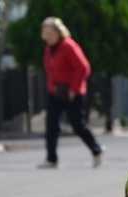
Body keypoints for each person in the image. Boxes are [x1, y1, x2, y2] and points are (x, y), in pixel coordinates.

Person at [39, 17, 103, 169]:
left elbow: (84, 68)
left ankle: (96, 150)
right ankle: (51, 159)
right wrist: (52, 88)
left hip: (73, 92)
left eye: (50, 31)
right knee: (51, 125)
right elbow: (50, 71)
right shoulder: (48, 49)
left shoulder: (68, 45)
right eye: (44, 32)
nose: (47, 35)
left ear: (58, 31)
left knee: (77, 125)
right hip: (56, 92)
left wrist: (74, 90)